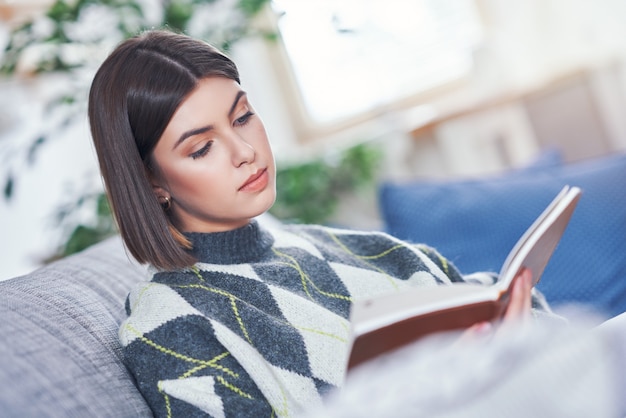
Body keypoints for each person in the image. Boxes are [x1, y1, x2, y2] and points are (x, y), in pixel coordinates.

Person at [87, 29, 622, 418]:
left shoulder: (356, 248)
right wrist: (435, 388)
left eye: (244, 116)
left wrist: (513, 324)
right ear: (151, 182)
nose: (245, 151)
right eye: (202, 147)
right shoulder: (168, 323)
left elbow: (548, 333)